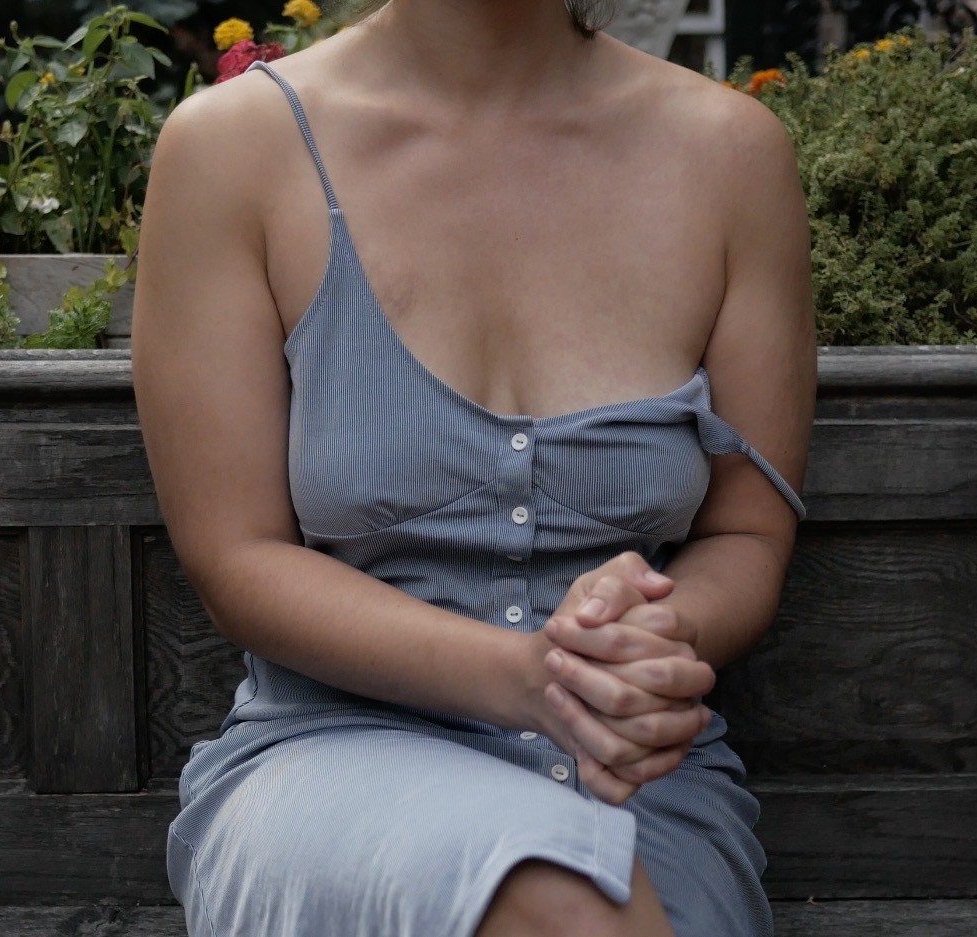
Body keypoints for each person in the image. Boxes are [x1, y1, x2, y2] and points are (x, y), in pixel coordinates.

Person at [129, 0, 816, 931]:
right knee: (560, 896)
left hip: (638, 780)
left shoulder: (729, 154)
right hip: (333, 767)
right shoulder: (236, 149)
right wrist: (530, 676)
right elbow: (236, 558)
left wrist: (649, 639)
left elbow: (747, 532)